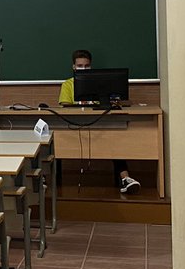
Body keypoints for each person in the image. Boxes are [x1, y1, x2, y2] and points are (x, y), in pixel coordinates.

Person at [58, 49, 141, 194]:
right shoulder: (67, 85)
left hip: (101, 124)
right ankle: (53, 184)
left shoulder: (100, 82)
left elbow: (106, 102)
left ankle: (126, 179)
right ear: (74, 67)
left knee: (115, 141)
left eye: (86, 65)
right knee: (58, 143)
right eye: (80, 66)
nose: (83, 69)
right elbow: (65, 106)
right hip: (75, 125)